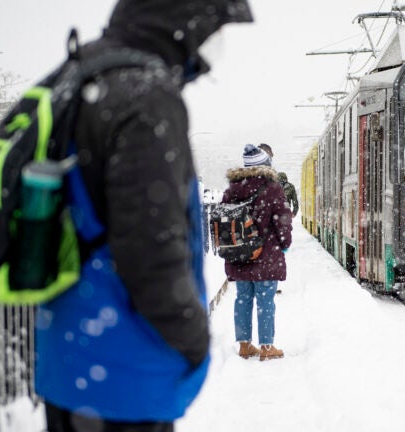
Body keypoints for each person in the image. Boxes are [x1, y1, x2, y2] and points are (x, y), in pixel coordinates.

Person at [34, 1, 253, 431]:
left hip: (69, 360)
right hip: (125, 369)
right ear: (177, 25)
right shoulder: (145, 98)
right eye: (209, 34)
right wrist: (193, 339)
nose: (210, 54)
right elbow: (151, 248)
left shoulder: (81, 76)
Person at [223, 144, 292, 361]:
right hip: (266, 253)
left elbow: (223, 220)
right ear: (265, 166)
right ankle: (266, 347)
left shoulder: (232, 189)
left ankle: (244, 345)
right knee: (265, 301)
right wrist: (285, 243)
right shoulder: (272, 188)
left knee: (242, 299)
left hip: (239, 254)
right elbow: (282, 220)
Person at [257, 143, 298, 216]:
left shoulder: (287, 187)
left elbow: (295, 201)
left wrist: (293, 212)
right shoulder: (270, 184)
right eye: (269, 158)